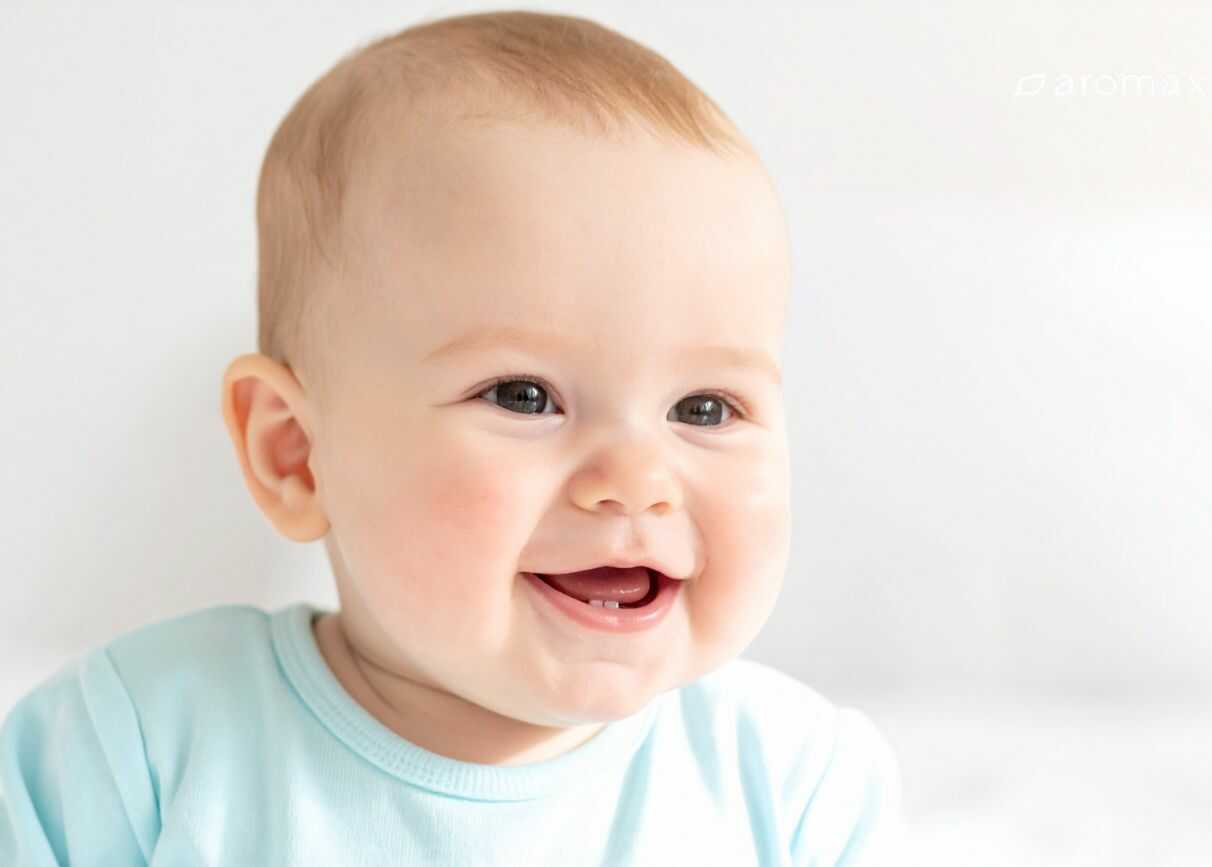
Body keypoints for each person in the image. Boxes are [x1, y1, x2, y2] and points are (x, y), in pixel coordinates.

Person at [0, 10, 905, 865]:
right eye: (524, 396)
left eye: (703, 408)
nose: (637, 478)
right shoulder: (134, 753)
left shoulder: (792, 791)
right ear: (296, 454)